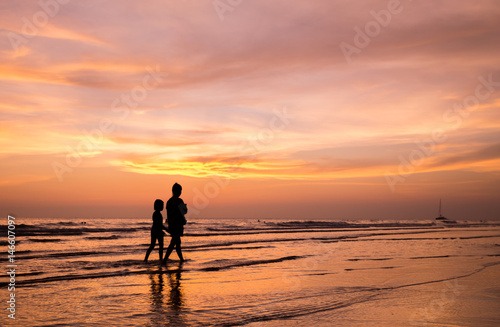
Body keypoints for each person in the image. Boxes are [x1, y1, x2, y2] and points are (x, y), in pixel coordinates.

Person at [163, 183, 187, 264]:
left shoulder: (169, 201)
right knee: (174, 243)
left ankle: (181, 259)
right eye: (180, 190)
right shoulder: (179, 201)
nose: (180, 192)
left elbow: (168, 214)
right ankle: (165, 260)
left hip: (172, 224)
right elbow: (183, 212)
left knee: (177, 243)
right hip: (177, 225)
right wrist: (185, 208)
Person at [144, 199, 168, 263]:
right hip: (156, 230)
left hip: (155, 230)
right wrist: (165, 229)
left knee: (153, 245)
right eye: (162, 205)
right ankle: (160, 259)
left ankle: (146, 258)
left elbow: (159, 224)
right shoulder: (157, 214)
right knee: (159, 245)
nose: (163, 207)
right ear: (158, 206)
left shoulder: (156, 213)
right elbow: (159, 224)